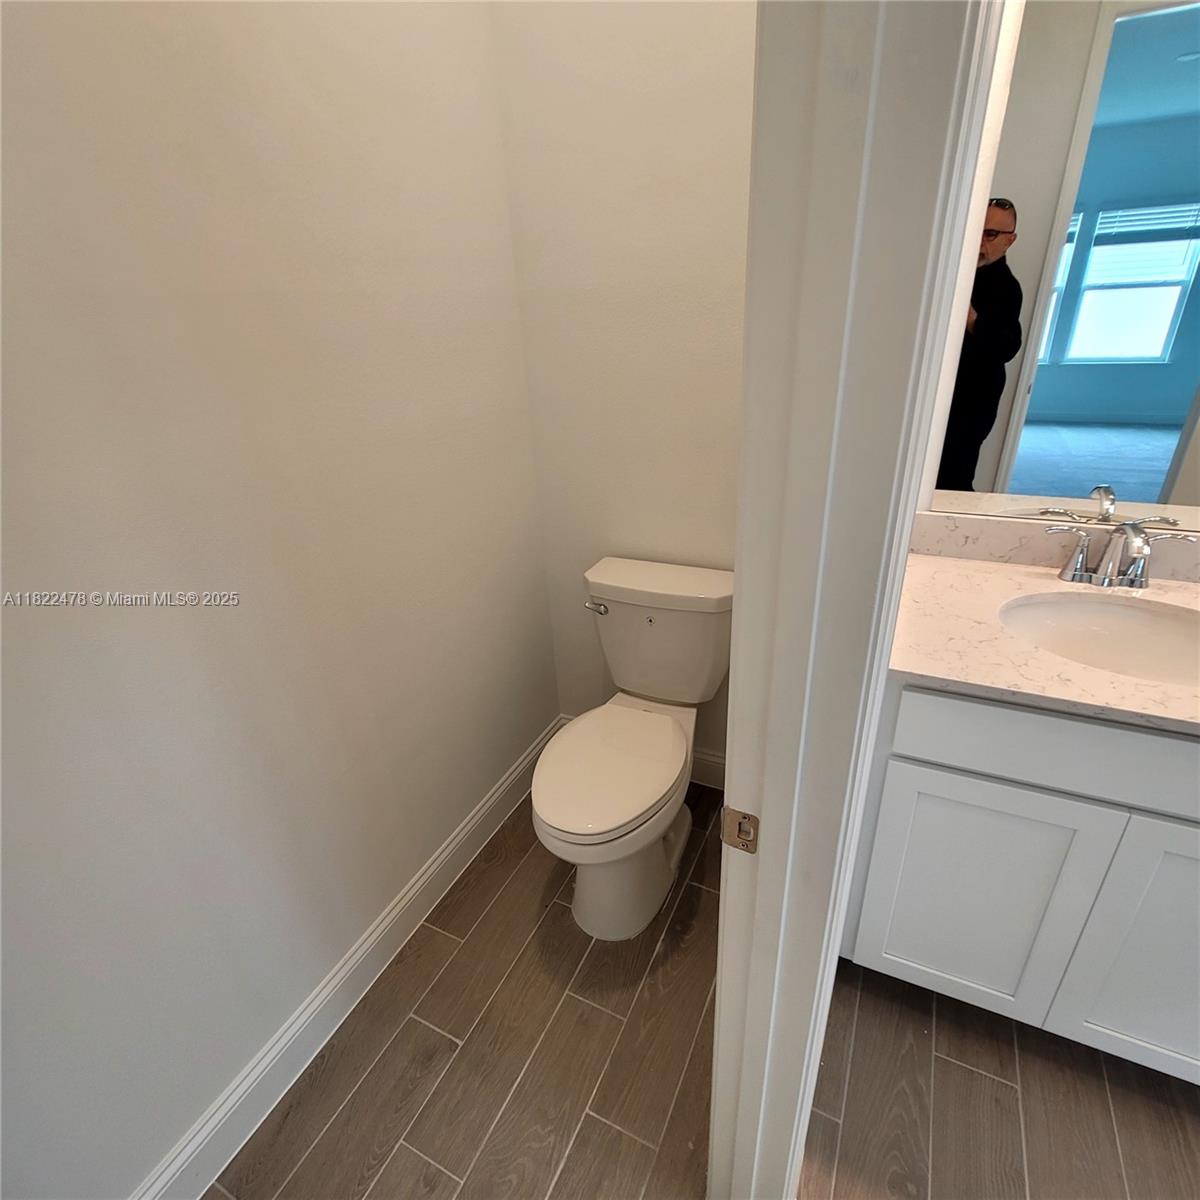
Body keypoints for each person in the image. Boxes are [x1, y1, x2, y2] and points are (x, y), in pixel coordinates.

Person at [937, 197, 1023, 491]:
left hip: (971, 401)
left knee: (953, 477)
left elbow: (1008, 347)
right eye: (975, 230)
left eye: (990, 234)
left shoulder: (1007, 288)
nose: (979, 241)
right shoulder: (948, 271)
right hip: (932, 392)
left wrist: (972, 318)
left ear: (1009, 240)